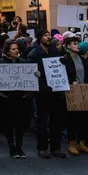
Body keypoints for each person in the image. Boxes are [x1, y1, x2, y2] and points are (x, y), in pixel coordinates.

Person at [27, 30, 66, 159]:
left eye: (49, 35)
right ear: (39, 38)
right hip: (42, 92)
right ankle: (42, 148)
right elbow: (30, 73)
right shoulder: (34, 54)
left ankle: (56, 147)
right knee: (42, 121)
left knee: (57, 120)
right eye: (45, 35)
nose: (48, 37)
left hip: (56, 90)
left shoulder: (55, 52)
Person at [61, 38, 88, 156]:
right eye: (74, 44)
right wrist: (71, 81)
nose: (77, 46)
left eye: (77, 44)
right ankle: (72, 143)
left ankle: (81, 143)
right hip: (72, 92)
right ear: (68, 46)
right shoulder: (64, 59)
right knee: (72, 119)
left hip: (83, 91)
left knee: (83, 119)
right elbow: (62, 74)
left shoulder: (81, 59)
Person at [0, 40, 34, 158]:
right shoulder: (2, 63)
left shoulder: (23, 62)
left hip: (21, 98)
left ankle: (19, 147)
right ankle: (11, 147)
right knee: (9, 124)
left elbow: (30, 78)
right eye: (13, 49)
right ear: (7, 51)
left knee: (20, 124)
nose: (16, 51)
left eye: (17, 49)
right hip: (7, 98)